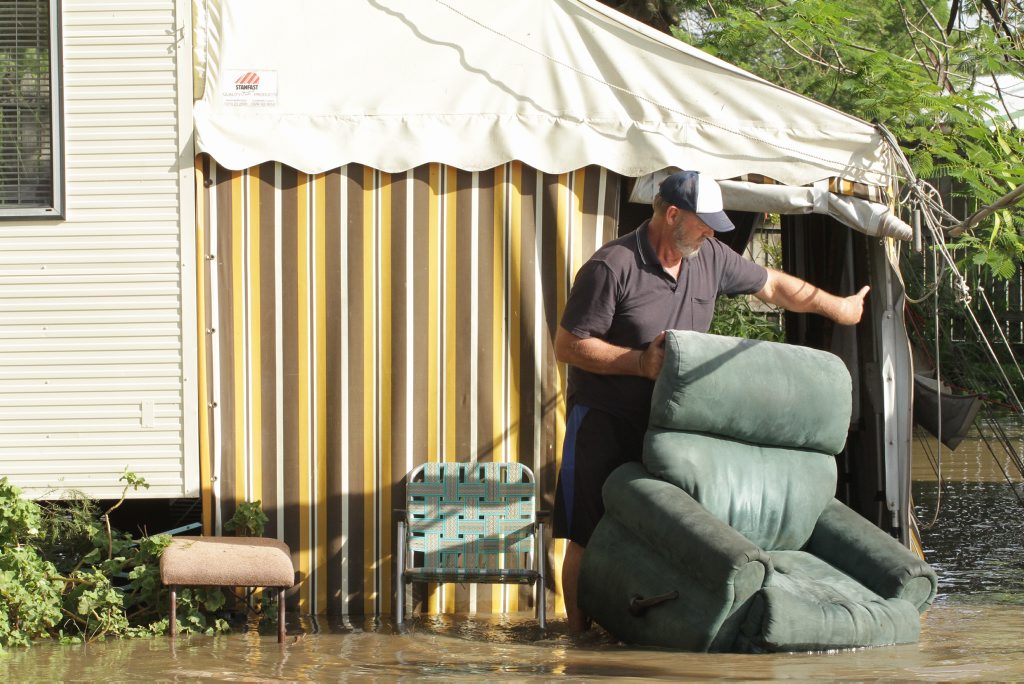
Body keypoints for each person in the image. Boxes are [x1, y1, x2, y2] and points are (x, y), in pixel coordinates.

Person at [553, 170, 870, 633]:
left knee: (669, 531)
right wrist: (640, 363)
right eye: (705, 223)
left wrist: (837, 307)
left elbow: (775, 287)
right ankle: (577, 641)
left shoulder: (710, 257)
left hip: (671, 430)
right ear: (673, 214)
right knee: (588, 534)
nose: (713, 232)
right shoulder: (612, 266)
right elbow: (569, 345)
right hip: (604, 419)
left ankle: (648, 629)